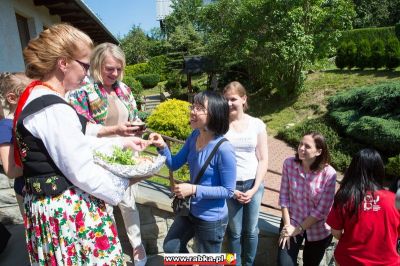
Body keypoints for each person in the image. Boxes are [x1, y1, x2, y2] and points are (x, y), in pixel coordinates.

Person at [15, 24, 149, 265]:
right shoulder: (53, 108)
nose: (86, 74)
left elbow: (78, 139)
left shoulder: (41, 97)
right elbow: (81, 170)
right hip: (66, 211)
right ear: (63, 63)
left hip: (49, 207)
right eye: (85, 66)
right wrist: (127, 179)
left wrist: (123, 142)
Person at [67, 42, 147, 265]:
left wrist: (138, 127)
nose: (115, 73)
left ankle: (137, 246)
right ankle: (111, 250)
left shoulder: (124, 90)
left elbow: (134, 115)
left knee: (129, 205)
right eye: (109, 68)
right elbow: (80, 131)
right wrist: (115, 131)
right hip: (99, 160)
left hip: (126, 156)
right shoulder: (82, 93)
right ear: (97, 66)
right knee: (104, 208)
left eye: (119, 69)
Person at [150, 91, 237, 253]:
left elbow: (228, 191)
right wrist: (162, 146)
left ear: (214, 114)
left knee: (208, 262)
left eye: (199, 108)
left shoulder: (224, 149)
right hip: (190, 209)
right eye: (193, 106)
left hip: (212, 219)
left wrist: (193, 189)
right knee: (171, 246)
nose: (192, 111)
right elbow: (174, 164)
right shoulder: (194, 135)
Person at [327, 149, 400, 265]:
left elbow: (335, 231)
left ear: (353, 169)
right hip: (387, 262)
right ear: (380, 170)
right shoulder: (394, 200)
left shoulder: (345, 196)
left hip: (349, 259)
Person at [223, 81, 268, 266]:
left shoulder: (256, 124)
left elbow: (263, 158)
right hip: (230, 186)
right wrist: (230, 189)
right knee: (234, 232)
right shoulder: (220, 125)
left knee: (251, 231)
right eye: (225, 100)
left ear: (243, 99)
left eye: (233, 99)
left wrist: (255, 188)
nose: (229, 104)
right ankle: (235, 264)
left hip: (253, 185)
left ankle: (248, 264)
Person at [277, 132, 337, 266]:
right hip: (291, 220)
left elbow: (321, 211)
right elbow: (284, 197)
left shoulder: (329, 174)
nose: (301, 148)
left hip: (318, 229)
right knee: (284, 263)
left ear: (319, 151)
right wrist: (287, 227)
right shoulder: (289, 164)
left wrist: (298, 229)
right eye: (300, 144)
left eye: (307, 146)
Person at [0, 72, 31, 216]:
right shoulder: (6, 127)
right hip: (27, 191)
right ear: (12, 98)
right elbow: (11, 171)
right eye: (28, 95)